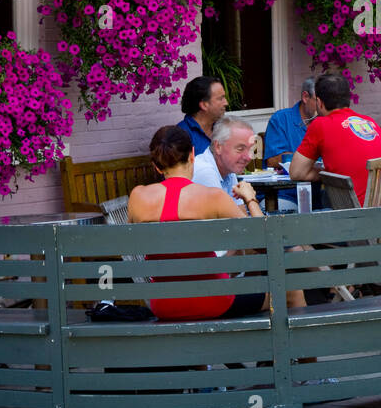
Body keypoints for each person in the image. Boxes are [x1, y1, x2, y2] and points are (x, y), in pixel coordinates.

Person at [127, 126, 300, 319]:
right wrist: (250, 198)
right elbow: (264, 241)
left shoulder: (138, 197)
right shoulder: (213, 197)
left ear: (156, 166)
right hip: (214, 301)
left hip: (163, 304)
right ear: (192, 154)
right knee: (292, 293)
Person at [289, 73, 381, 205]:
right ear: (348, 99)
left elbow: (296, 172)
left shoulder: (321, 125)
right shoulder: (370, 123)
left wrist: (329, 174)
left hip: (354, 213)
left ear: (319, 102)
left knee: (321, 200)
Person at [263, 77, 318, 211]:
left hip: (318, 195)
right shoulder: (281, 119)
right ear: (305, 97)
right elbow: (272, 160)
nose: (323, 105)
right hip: (285, 194)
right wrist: (312, 159)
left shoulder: (324, 121)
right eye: (318, 100)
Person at [192, 118, 258, 203]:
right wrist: (250, 199)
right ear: (218, 147)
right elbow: (238, 215)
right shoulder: (205, 171)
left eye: (251, 149)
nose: (249, 157)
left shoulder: (228, 169)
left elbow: (241, 215)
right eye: (240, 149)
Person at [177, 75, 228, 156]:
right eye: (220, 98)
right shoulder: (181, 136)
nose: (226, 103)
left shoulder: (223, 128)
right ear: (204, 105)